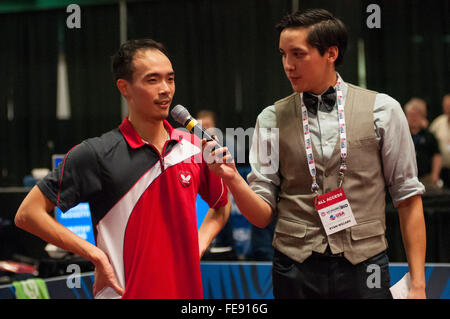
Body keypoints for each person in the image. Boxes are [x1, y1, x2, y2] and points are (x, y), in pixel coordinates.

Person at [204, 9, 427, 299]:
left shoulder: (383, 110)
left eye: (298, 54)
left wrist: (419, 285)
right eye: (283, 54)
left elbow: (408, 198)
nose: (288, 65)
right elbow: (261, 217)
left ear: (331, 53)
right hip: (294, 267)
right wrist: (233, 178)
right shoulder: (270, 119)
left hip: (365, 264)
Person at [15, 39, 230, 299]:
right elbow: (27, 214)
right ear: (124, 88)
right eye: (152, 80)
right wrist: (94, 255)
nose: (165, 90)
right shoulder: (96, 153)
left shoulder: (195, 147)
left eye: (170, 79)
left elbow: (221, 205)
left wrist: (196, 246)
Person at [404, 98, 442, 189]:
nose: (413, 118)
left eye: (416, 115)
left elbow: (436, 155)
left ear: (422, 116)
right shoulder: (401, 134)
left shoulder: (429, 135)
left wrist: (435, 175)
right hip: (405, 179)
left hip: (425, 178)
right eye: (410, 115)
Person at [429, 94, 450, 188]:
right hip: (443, 171)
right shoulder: (438, 122)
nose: (447, 108)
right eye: (446, 106)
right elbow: (429, 140)